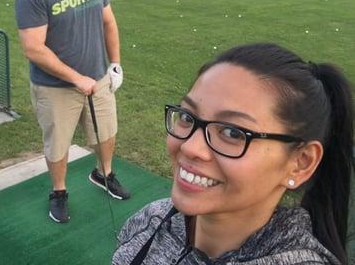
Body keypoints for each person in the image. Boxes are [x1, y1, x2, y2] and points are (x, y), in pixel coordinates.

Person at [113, 42, 353, 265]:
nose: (189, 147)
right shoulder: (151, 219)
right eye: (187, 117)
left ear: (301, 163)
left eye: (232, 133)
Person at [15, 0, 130, 224]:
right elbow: (33, 48)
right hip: (55, 89)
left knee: (106, 133)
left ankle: (103, 174)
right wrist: (75, 77)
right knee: (58, 144)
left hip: (99, 79)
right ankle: (59, 191)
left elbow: (109, 22)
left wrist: (115, 63)